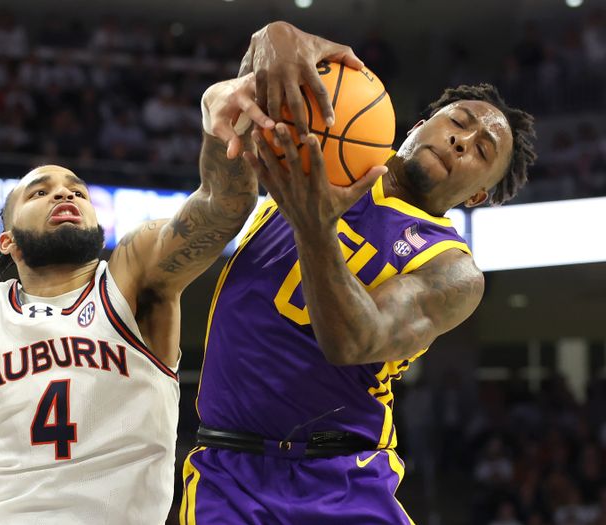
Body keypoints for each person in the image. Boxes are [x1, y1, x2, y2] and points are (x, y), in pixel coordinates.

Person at [180, 21, 538, 524]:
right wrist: (268, 43)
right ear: (419, 124)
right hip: (229, 474)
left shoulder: (452, 269)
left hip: (345, 480)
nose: (463, 141)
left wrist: (314, 226)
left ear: (477, 195)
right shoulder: (321, 151)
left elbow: (356, 341)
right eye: (458, 122)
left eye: (482, 150)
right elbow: (231, 154)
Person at [0, 71, 271, 524]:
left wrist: (223, 122)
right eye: (39, 192)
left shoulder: (132, 276)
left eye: (76, 189)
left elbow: (224, 207)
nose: (64, 192)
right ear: (8, 241)